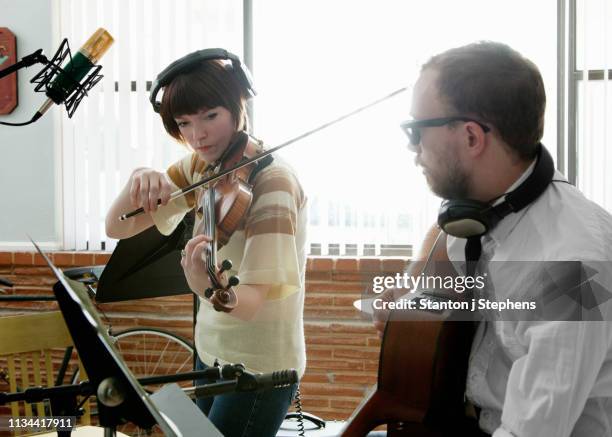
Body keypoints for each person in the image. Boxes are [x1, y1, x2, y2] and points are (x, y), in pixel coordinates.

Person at [374, 41, 612, 436]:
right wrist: (416, 296)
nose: (412, 147)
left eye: (417, 130)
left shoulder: (574, 265)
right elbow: (445, 239)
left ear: (471, 137)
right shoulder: (481, 209)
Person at [105, 51, 307, 437]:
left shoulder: (273, 182)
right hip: (211, 350)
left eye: (210, 116)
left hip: (257, 368)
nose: (197, 135)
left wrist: (205, 286)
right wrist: (138, 178)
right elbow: (119, 227)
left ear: (238, 107)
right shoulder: (200, 166)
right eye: (184, 123)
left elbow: (249, 303)